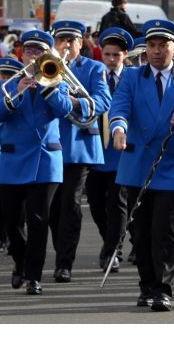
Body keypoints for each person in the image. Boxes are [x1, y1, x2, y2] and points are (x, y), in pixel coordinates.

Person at [109, 19, 174, 311]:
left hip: (172, 166)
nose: (157, 51)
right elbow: (119, 108)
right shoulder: (132, 77)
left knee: (165, 230)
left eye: (164, 45)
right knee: (140, 232)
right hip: (136, 165)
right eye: (152, 45)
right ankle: (146, 285)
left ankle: (162, 289)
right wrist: (118, 128)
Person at [0, 30, 82, 295]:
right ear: (22, 54)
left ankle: (34, 276)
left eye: (40, 51)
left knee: (39, 220)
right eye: (30, 51)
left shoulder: (56, 79)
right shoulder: (8, 83)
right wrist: (16, 94)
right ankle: (20, 262)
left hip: (45, 161)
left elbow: (65, 109)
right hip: (12, 159)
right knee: (11, 222)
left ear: (48, 55)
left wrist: (48, 89)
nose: (34, 55)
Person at [47, 20, 111, 283]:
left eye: (71, 41)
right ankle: (61, 249)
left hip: (80, 146)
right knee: (52, 208)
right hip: (51, 145)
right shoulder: (48, 67)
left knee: (71, 204)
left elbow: (104, 101)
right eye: (61, 40)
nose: (66, 45)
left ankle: (65, 262)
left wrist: (75, 100)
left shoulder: (94, 68)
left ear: (80, 43)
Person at [86, 27, 133, 273]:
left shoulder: (133, 77)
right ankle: (110, 241)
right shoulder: (95, 76)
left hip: (122, 149)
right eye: (107, 55)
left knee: (118, 202)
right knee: (95, 203)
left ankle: (114, 250)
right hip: (96, 150)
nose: (112, 60)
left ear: (125, 54)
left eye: (116, 55)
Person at [0, 57, 22, 253]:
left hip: (12, 149)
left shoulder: (20, 90)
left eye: (10, 75)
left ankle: (12, 237)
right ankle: (0, 236)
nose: (5, 78)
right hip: (1, 150)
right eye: (3, 74)